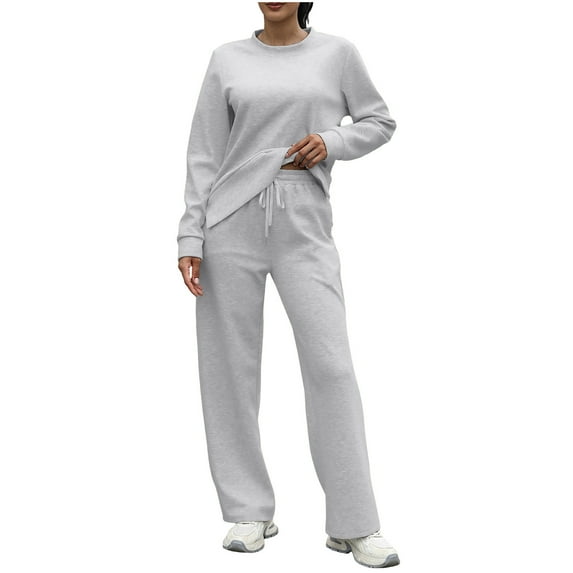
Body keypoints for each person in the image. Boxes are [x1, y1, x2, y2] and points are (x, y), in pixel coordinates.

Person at [177, 2, 399, 568]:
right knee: (228, 368)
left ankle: (354, 522)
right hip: (230, 220)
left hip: (304, 220)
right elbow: (205, 153)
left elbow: (379, 121)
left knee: (332, 366)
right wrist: (190, 236)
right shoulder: (226, 58)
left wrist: (332, 141)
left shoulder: (337, 53)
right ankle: (248, 510)